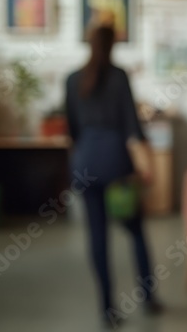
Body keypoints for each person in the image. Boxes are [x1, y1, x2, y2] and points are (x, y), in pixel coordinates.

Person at [64, 25, 162, 328]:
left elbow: (72, 129)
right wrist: (145, 165)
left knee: (97, 236)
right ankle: (148, 297)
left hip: (85, 162)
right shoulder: (119, 76)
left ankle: (107, 309)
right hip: (116, 164)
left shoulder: (72, 80)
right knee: (135, 231)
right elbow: (132, 126)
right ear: (113, 45)